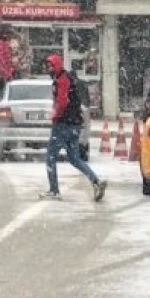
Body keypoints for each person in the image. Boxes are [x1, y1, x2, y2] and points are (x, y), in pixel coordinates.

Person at [41, 54, 106, 202]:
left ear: (57, 65)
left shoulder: (61, 80)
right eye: (47, 66)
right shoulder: (68, 79)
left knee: (51, 156)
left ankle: (54, 189)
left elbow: (62, 102)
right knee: (74, 158)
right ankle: (96, 181)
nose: (48, 69)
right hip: (75, 125)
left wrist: (55, 116)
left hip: (63, 124)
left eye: (50, 66)